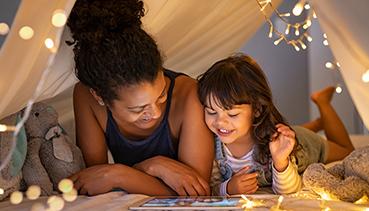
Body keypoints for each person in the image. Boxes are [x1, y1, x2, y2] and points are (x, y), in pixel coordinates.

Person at [66, 0, 214, 196]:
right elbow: (95, 181)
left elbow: (196, 193)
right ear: (99, 96)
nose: (155, 112)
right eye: (138, 109)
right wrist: (152, 168)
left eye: (161, 96)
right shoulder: (86, 97)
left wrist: (121, 174)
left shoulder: (189, 96)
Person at [197, 53, 354, 196]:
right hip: (282, 133)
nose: (219, 122)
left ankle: (323, 102)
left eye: (232, 114)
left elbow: (290, 189)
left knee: (347, 151)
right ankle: (318, 123)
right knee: (290, 131)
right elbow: (210, 187)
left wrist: (280, 162)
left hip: (302, 144)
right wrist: (228, 188)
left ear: (257, 109)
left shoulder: (275, 143)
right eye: (211, 112)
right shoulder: (209, 146)